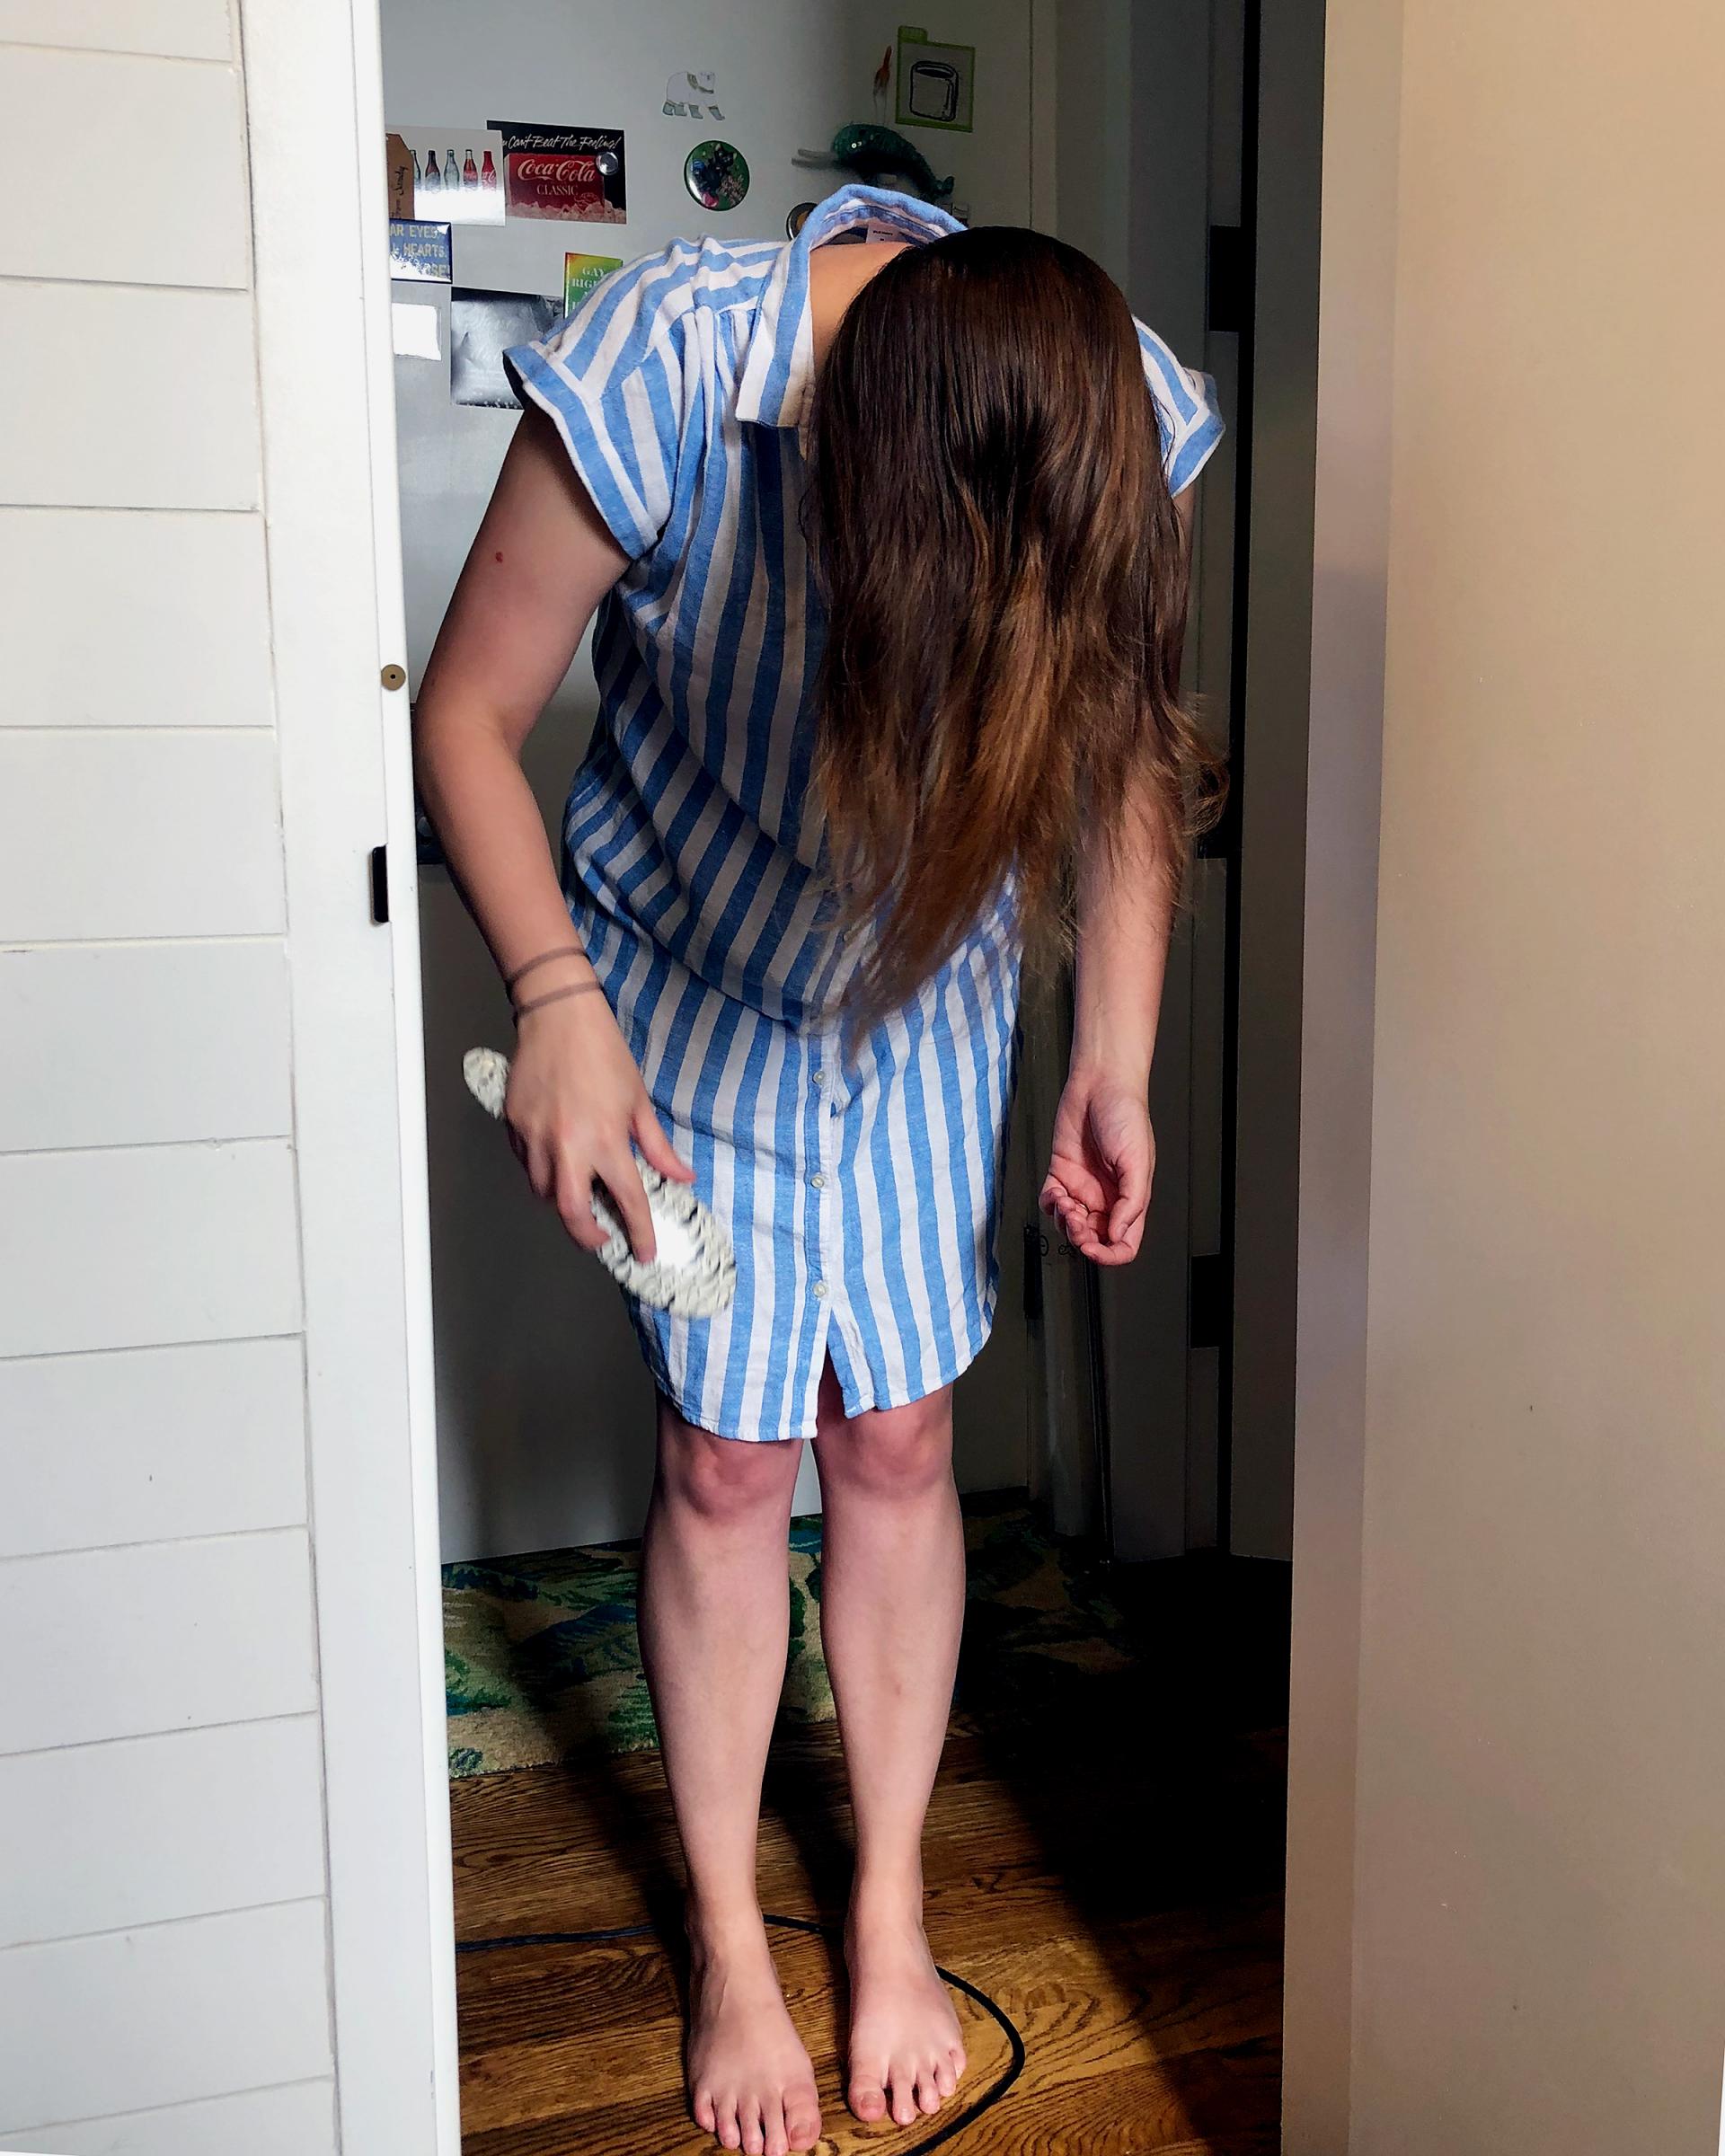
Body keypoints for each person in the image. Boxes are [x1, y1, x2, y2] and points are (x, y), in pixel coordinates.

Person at [412, 181, 1225, 2156]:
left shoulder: (1114, 407)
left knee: (900, 1450)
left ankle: (884, 1905)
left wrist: (1113, 1053)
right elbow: (466, 712)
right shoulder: (671, 373)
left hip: (928, 1010)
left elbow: (1119, 746)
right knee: (728, 1462)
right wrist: (553, 994)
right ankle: (724, 1936)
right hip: (683, 992)